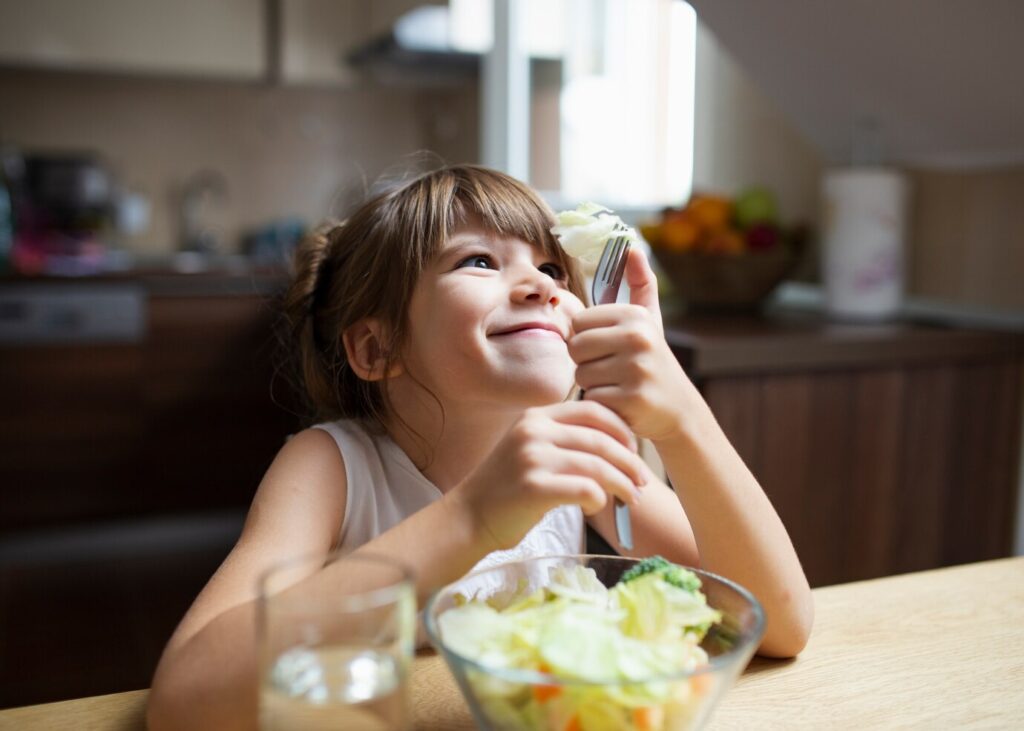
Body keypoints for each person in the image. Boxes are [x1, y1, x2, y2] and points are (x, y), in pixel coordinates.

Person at [147, 164, 812, 730]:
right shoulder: (330, 466)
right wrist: (474, 516)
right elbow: (183, 700)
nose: (544, 285)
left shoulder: (584, 450)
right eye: (480, 261)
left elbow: (778, 623)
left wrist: (683, 419)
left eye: (552, 266)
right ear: (376, 348)